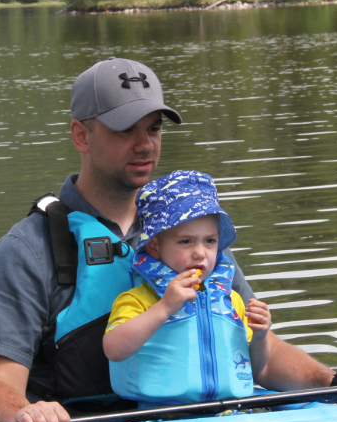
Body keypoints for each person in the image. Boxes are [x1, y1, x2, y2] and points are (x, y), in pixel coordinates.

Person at [0, 57, 337, 422]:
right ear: (81, 135)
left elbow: (260, 353)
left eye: (154, 128)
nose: (145, 145)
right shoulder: (26, 250)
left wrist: (336, 380)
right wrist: (27, 414)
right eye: (125, 130)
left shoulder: (193, 235)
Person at [103, 170, 272, 405]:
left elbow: (255, 366)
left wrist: (262, 336)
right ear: (154, 247)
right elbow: (113, 349)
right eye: (186, 241)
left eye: (210, 241)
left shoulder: (232, 301)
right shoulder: (138, 300)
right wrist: (164, 307)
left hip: (229, 413)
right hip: (159, 417)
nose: (200, 252)